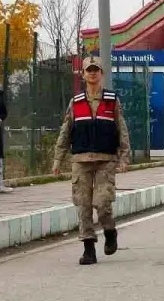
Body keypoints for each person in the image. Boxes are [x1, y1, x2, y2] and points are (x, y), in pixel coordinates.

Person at [52, 56, 131, 265]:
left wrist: (124, 157)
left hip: (106, 159)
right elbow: (65, 132)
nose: (92, 73)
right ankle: (88, 247)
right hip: (80, 159)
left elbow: (121, 129)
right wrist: (57, 159)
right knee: (83, 205)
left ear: (101, 74)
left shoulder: (112, 101)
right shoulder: (75, 103)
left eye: (96, 70)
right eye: (89, 70)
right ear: (84, 74)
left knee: (102, 203)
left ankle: (109, 230)